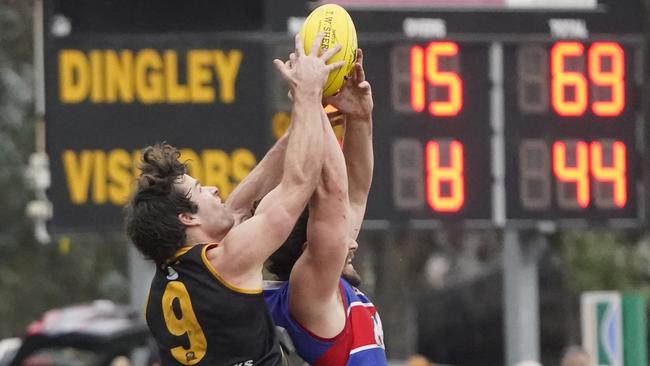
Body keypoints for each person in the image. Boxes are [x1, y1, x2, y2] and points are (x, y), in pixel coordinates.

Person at [124, 33, 344, 366]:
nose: (214, 190)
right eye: (200, 189)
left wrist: (302, 117)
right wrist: (311, 92)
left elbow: (238, 208)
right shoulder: (227, 262)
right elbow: (299, 183)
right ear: (188, 218)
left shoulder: (161, 291)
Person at [264, 49, 387, 365]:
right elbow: (333, 192)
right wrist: (309, 95)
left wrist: (359, 116)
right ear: (312, 247)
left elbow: (355, 192)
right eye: (343, 239)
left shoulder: (326, 281)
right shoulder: (310, 295)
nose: (354, 240)